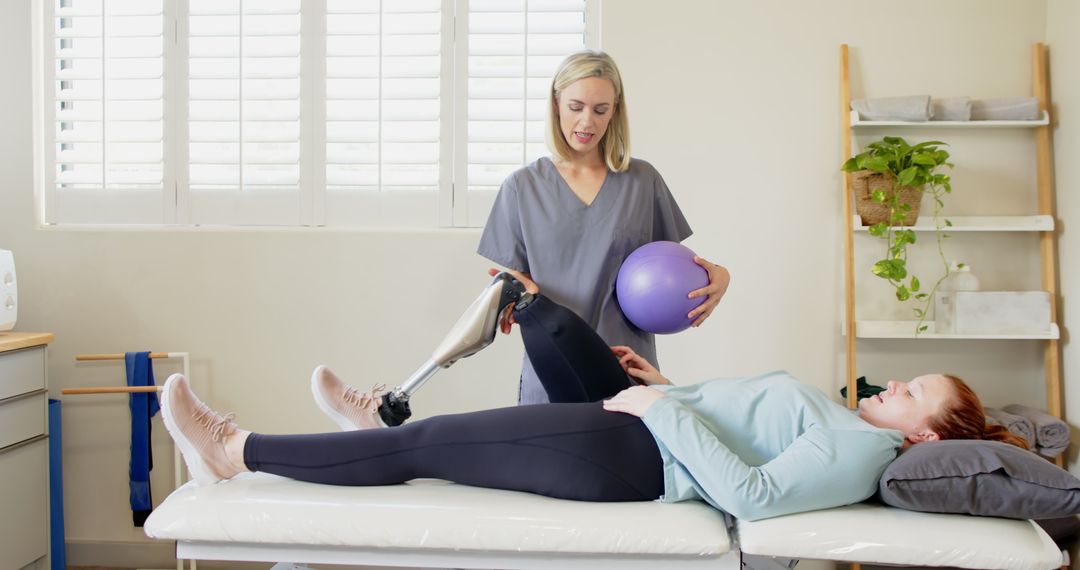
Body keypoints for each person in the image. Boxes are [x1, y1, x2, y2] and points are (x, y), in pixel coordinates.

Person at [161, 292, 1027, 522]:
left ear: (924, 434)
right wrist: (660, 384)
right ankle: (355, 430)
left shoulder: (861, 452)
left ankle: (236, 451)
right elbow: (741, 420)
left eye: (916, 392)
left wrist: (656, 409)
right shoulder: (849, 425)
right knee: (536, 319)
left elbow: (752, 498)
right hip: (637, 428)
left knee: (422, 444)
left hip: (631, 458)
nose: (897, 384)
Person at [476, 49, 731, 405]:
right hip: (552, 372)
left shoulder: (643, 181)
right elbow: (516, 285)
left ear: (615, 111)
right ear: (556, 104)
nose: (587, 122)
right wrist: (507, 295)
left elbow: (670, 269)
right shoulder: (522, 187)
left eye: (600, 110)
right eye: (576, 107)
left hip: (628, 373)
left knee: (629, 461)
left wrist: (719, 275)